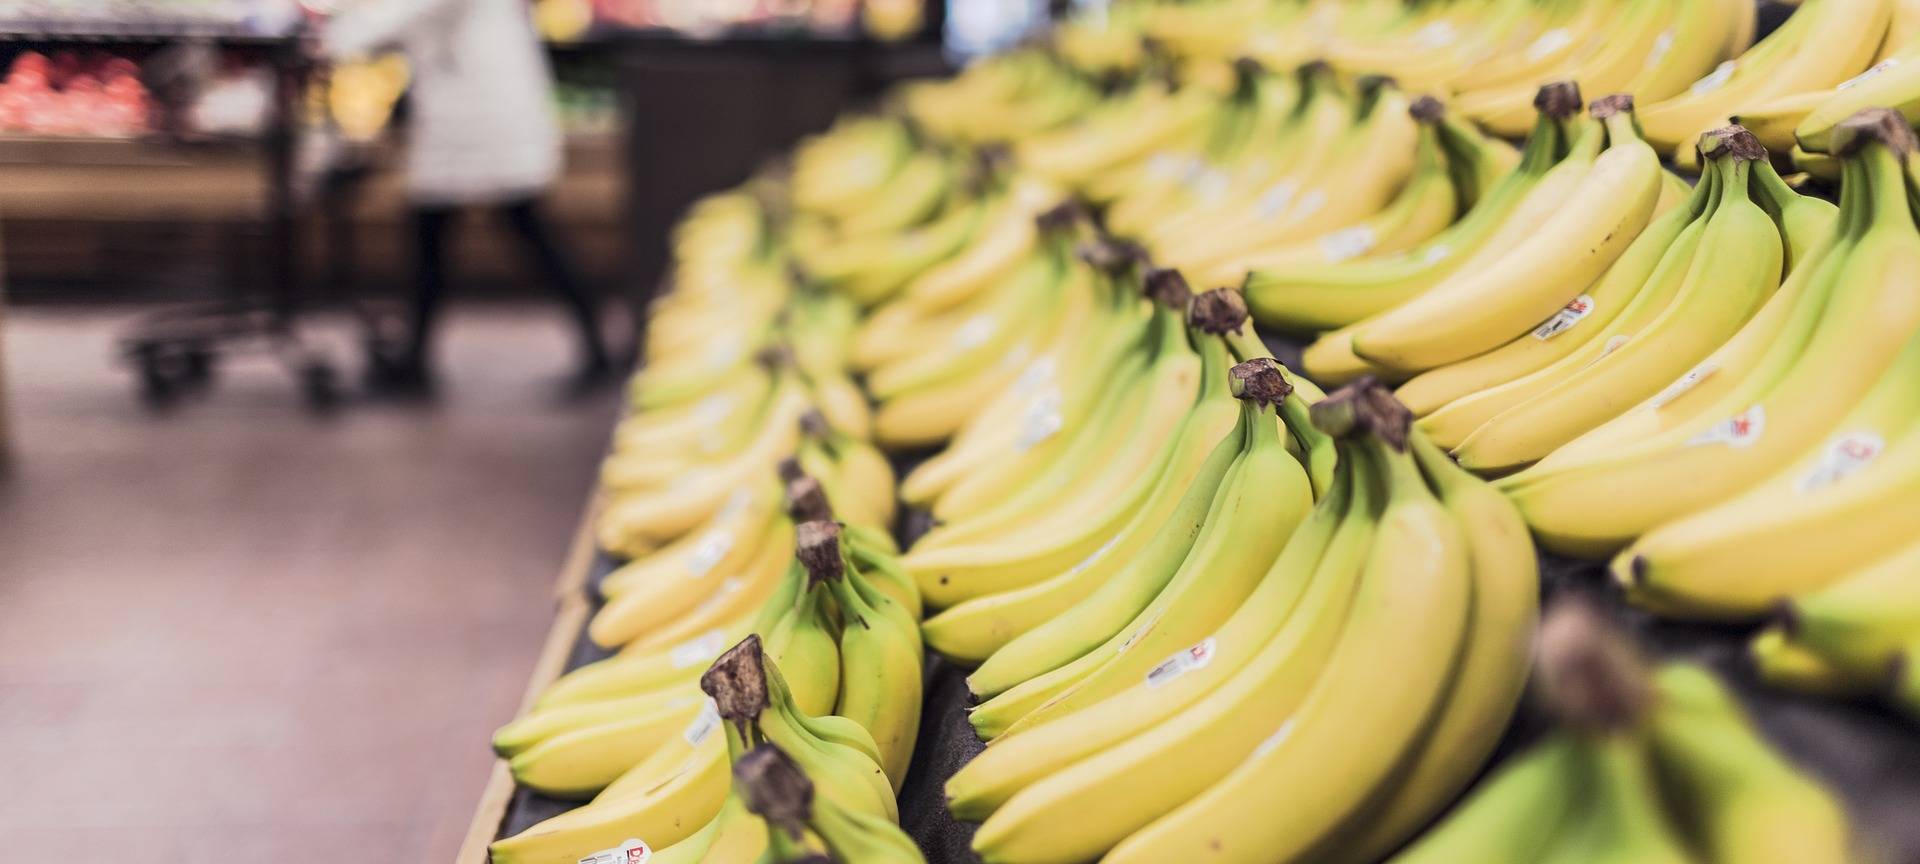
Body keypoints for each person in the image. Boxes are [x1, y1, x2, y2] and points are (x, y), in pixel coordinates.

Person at [322, 0, 613, 394]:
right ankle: (416, 359)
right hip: (471, 118)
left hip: (483, 120)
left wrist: (339, 34)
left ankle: (596, 347)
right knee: (441, 235)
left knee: (512, 231)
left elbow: (413, 12)